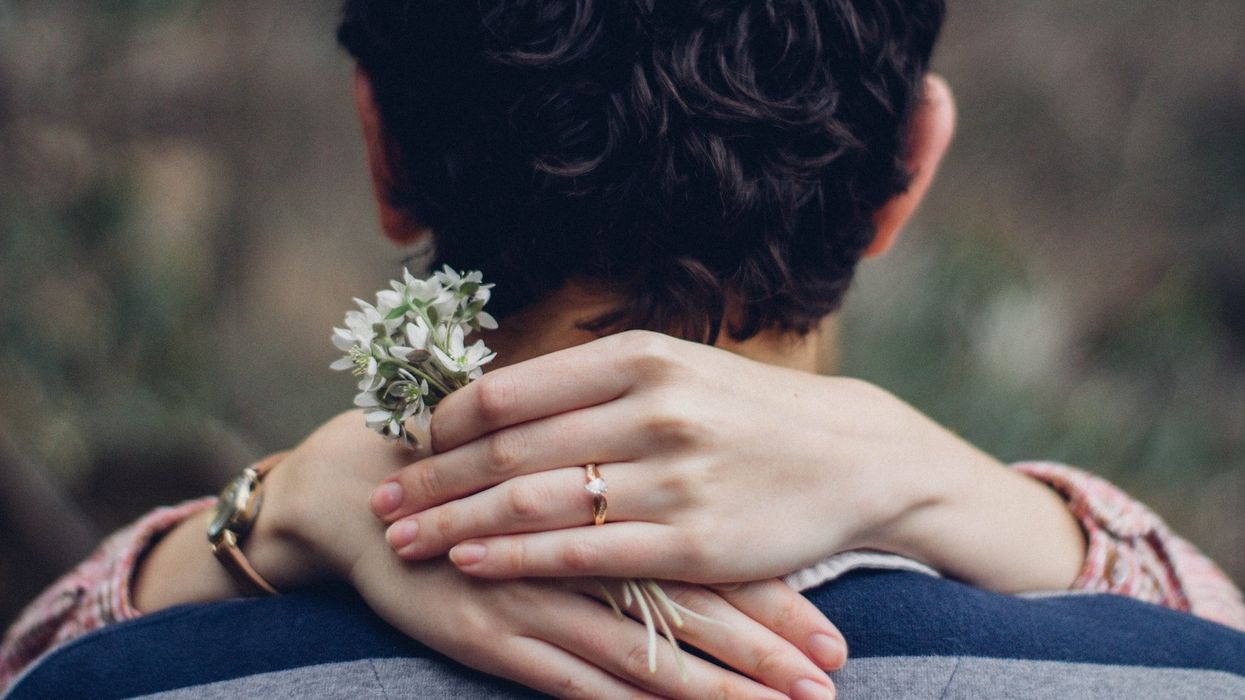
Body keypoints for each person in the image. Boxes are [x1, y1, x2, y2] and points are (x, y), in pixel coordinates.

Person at [3, 0, 1244, 697]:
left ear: (382, 152)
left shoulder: (134, 672)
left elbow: (42, 659)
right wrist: (951, 480)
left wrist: (268, 506)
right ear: (905, 173)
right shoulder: (1173, 676)